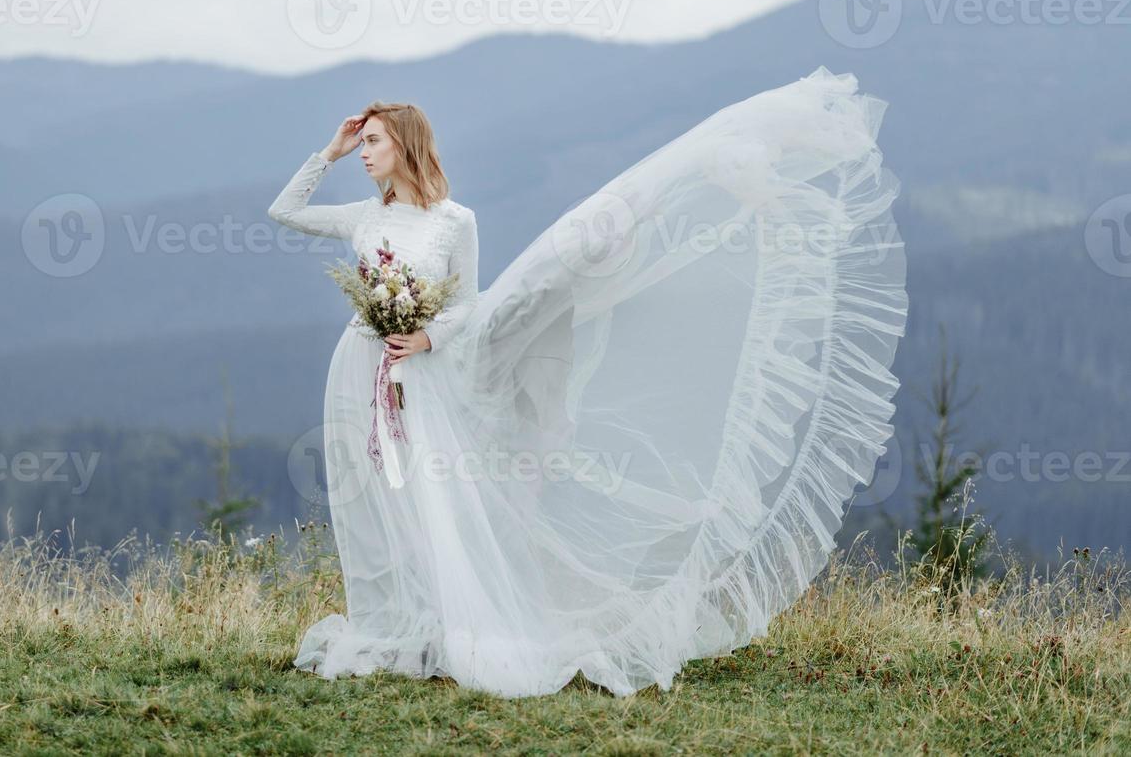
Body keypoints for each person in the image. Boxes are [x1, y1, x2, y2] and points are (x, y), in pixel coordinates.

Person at [267, 67, 909, 698]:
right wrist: (331, 150)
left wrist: (428, 338)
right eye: (363, 142)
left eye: (374, 141)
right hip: (357, 364)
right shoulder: (361, 216)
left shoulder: (454, 222)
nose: (365, 153)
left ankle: (436, 624)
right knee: (367, 498)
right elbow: (284, 209)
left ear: (405, 144)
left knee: (427, 498)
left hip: (421, 371)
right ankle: (383, 627)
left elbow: (466, 303)